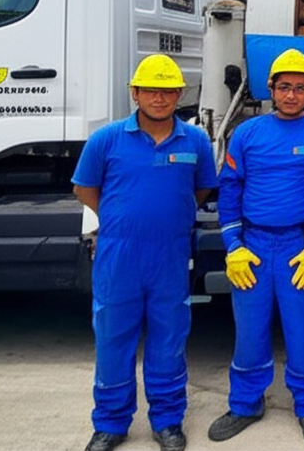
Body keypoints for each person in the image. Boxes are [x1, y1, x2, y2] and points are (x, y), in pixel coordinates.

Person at [72, 54, 218, 451]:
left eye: (168, 91)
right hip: (119, 255)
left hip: (170, 254)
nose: (159, 98)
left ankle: (168, 421)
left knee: (169, 340)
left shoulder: (196, 141)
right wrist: (118, 218)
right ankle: (110, 424)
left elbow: (202, 190)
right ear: (134, 93)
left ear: (179, 95)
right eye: (150, 90)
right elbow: (84, 189)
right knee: (114, 340)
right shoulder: (107, 139)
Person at [208, 48, 304, 445]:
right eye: (284, 87)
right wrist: (233, 244)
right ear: (271, 88)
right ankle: (246, 403)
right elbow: (230, 190)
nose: (291, 94)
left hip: (300, 248)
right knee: (249, 330)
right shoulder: (247, 134)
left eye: (300, 88)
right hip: (254, 245)